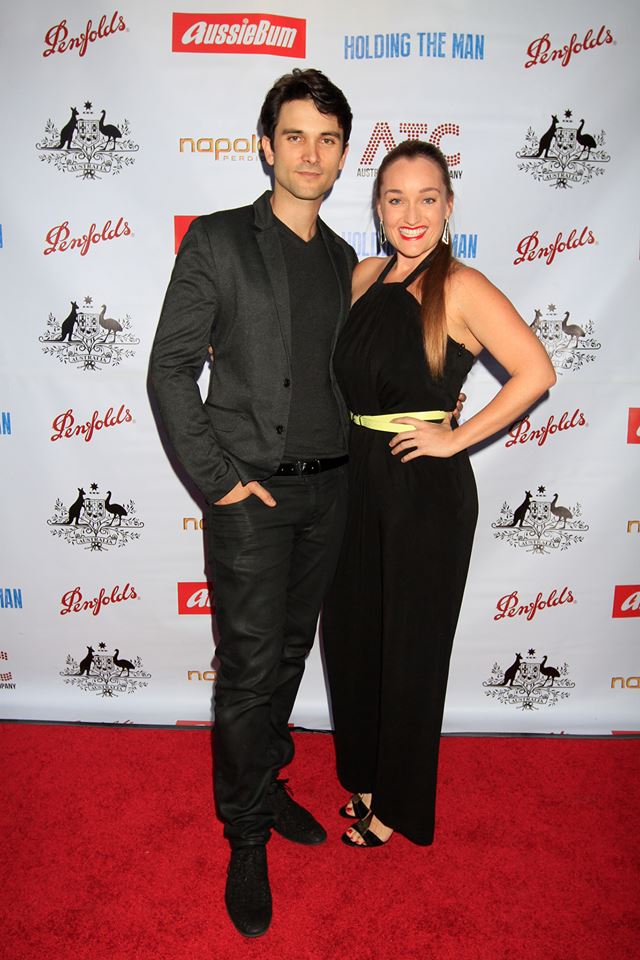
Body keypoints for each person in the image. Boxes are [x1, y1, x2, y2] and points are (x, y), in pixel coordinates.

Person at [150, 69, 357, 937]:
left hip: (329, 490)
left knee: (286, 658)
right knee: (244, 670)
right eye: (296, 136)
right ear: (266, 145)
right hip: (252, 497)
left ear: (343, 155)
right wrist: (222, 480)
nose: (312, 153)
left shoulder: (347, 258)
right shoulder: (220, 240)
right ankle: (243, 835)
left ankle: (267, 788)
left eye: (329, 138)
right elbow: (169, 370)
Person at [322, 139, 556, 849]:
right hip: (355, 472)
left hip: (423, 489)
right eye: (396, 198)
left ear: (449, 206)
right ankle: (364, 775)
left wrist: (454, 438)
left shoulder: (461, 285)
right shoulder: (363, 275)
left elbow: (535, 371)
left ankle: (396, 805)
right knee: (354, 635)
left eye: (428, 198)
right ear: (378, 207)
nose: (411, 212)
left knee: (412, 649)